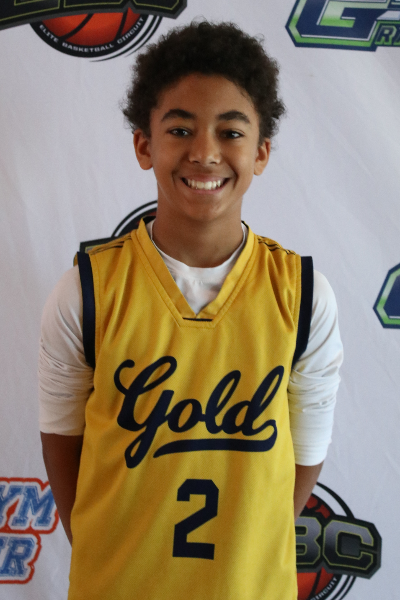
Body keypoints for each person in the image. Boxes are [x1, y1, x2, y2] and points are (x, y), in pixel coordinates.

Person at [39, 21, 343, 600]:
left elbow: (306, 454)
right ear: (144, 145)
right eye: (180, 129)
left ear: (261, 152)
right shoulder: (86, 290)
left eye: (231, 132)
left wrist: (254, 544)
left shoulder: (303, 296)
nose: (204, 152)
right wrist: (101, 542)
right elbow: (61, 435)